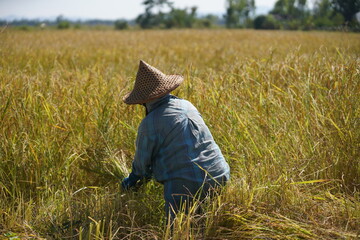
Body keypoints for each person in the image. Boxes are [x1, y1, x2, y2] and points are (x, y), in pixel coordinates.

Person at [121, 60, 230, 221]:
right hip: (219, 174)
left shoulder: (149, 123)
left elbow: (141, 167)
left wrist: (129, 185)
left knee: (179, 230)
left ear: (144, 101)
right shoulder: (187, 105)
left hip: (185, 185)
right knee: (209, 224)